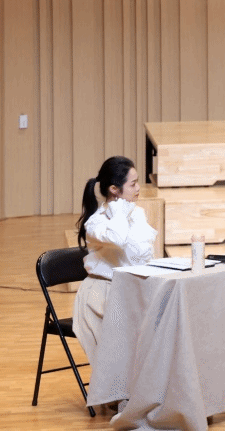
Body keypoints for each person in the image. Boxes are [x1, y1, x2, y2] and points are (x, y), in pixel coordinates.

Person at [72, 156, 157, 375]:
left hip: (130, 290)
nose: (138, 188)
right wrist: (118, 209)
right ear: (114, 189)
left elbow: (142, 256)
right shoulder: (96, 222)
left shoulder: (137, 214)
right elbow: (118, 238)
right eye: (133, 184)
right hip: (102, 296)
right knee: (119, 364)